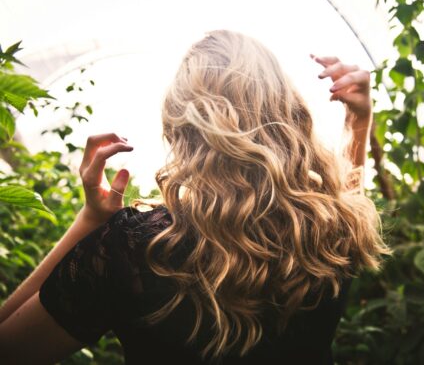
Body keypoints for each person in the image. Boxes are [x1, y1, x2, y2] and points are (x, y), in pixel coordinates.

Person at [0, 30, 389, 364]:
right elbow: (345, 196)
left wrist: (91, 221)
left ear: (180, 126)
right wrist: (358, 119)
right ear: (286, 112)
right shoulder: (334, 230)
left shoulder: (135, 248)